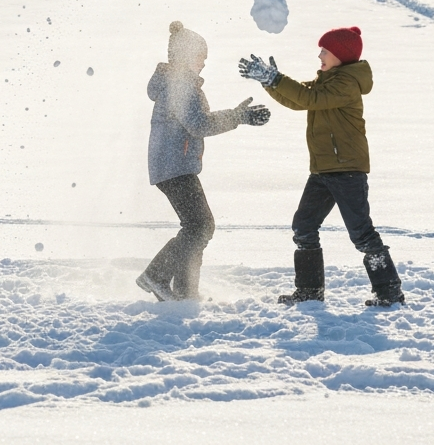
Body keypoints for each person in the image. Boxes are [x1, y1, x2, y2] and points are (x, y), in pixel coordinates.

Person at [239, 27, 406, 308]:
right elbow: (298, 100)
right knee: (303, 227)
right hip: (322, 170)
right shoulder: (328, 81)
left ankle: (389, 292)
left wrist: (276, 78)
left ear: (340, 56)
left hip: (347, 170)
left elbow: (308, 99)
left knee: (361, 234)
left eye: (325, 52)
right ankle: (309, 291)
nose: (320, 56)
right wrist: (269, 83)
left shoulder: (345, 85)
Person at [137, 21, 271, 302]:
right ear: (186, 56)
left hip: (173, 165)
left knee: (196, 227)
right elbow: (198, 124)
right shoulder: (180, 84)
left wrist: (237, 116)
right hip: (175, 166)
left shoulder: (176, 81)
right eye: (201, 58)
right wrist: (239, 117)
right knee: (200, 226)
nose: (203, 64)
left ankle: (185, 292)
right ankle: (157, 276)